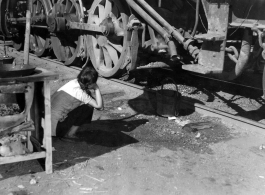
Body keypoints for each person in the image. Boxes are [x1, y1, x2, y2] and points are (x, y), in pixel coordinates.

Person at [42, 65, 103, 147]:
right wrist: (96, 88)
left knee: (85, 102)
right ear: (91, 83)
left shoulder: (73, 82)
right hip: (55, 129)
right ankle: (69, 134)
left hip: (45, 124)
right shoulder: (80, 93)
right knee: (88, 107)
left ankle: (64, 130)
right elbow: (100, 106)